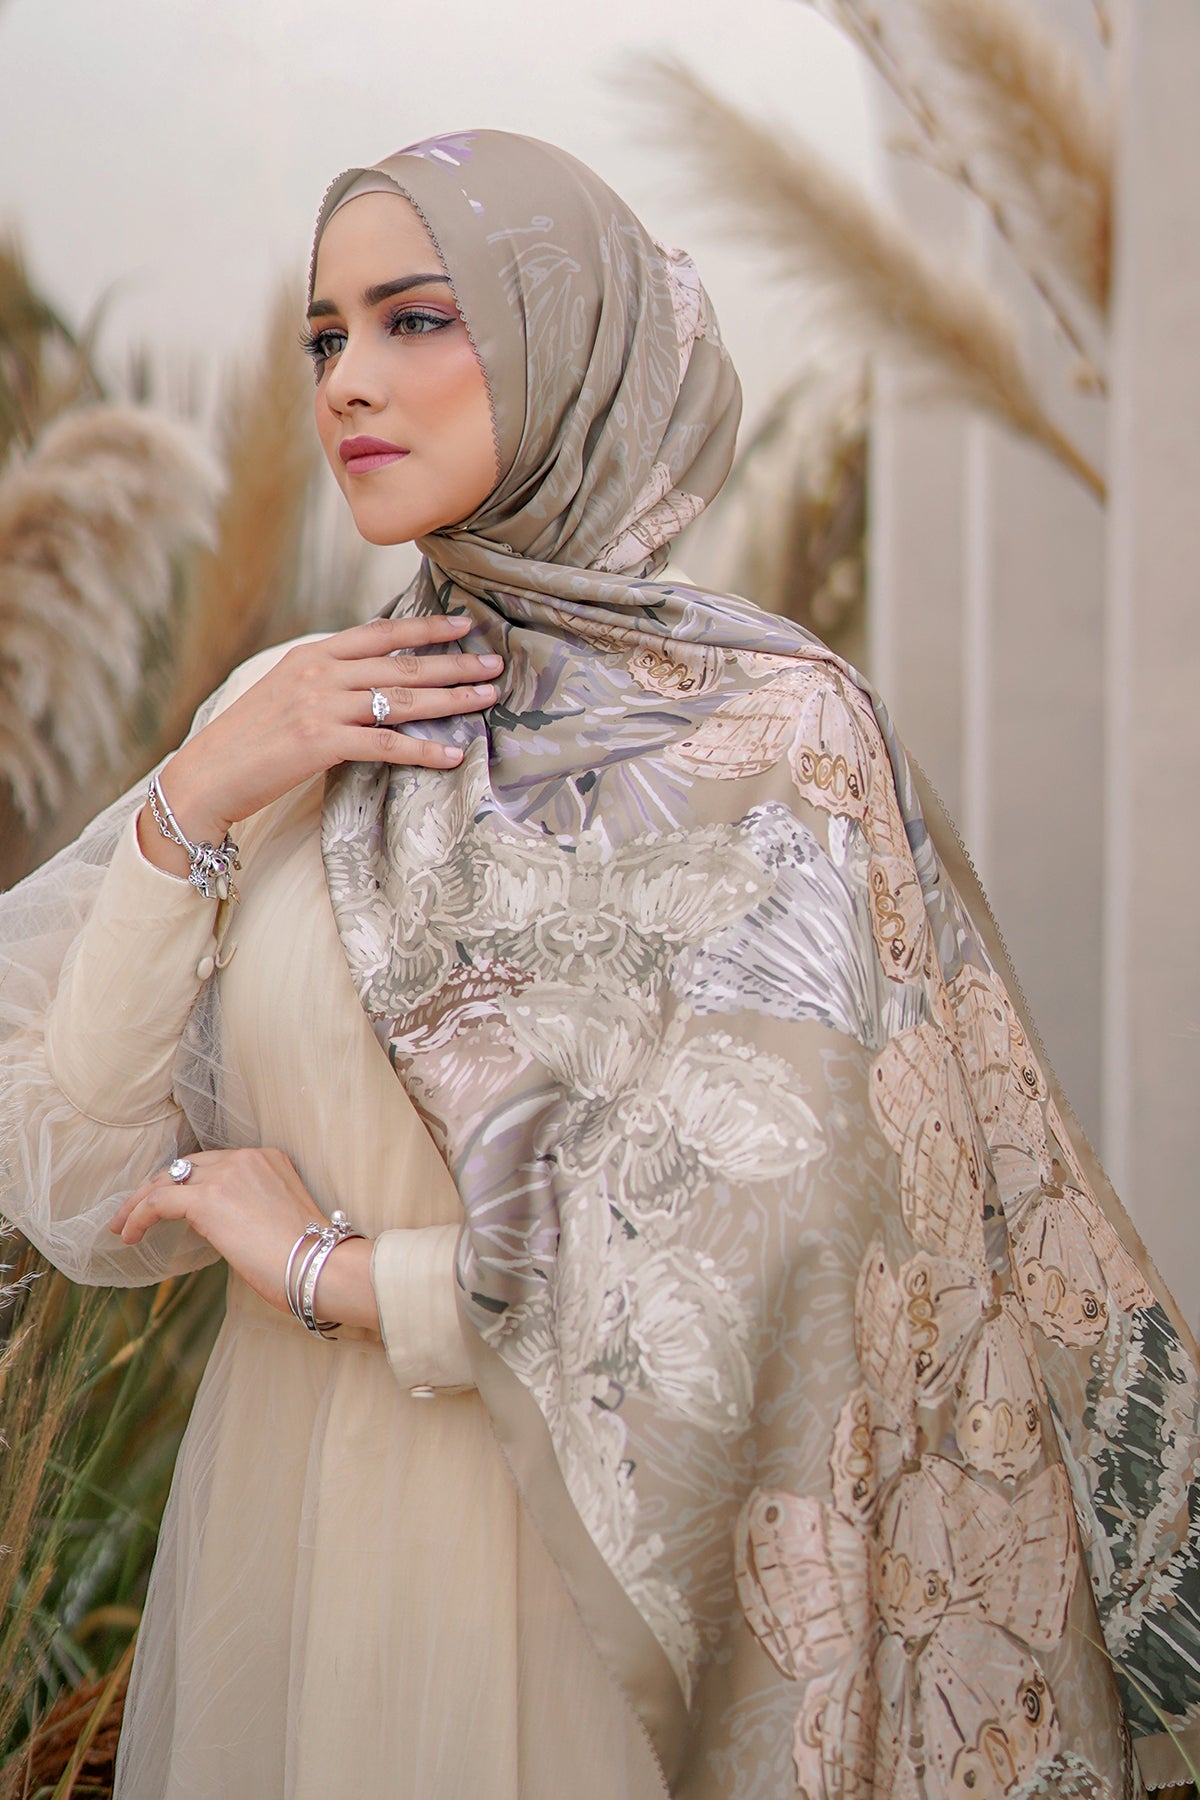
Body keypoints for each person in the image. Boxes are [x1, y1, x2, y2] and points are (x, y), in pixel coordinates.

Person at [1, 128, 1199, 1800]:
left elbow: (774, 1247)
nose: (350, 380)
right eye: (327, 334)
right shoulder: (296, 712)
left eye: (419, 319)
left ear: (574, 342)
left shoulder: (769, 737)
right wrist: (199, 791)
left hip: (577, 1599)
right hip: (291, 1564)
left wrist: (335, 1274)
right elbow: (78, 1166)